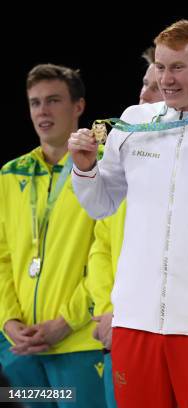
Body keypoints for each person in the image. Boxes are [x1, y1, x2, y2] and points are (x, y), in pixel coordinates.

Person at [68, 20, 188, 407]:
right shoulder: (133, 123)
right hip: (134, 319)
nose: (167, 79)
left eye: (178, 67)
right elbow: (102, 204)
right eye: (162, 67)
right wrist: (84, 169)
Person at [0, 63, 105, 408]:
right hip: (20, 348)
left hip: (79, 344)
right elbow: (2, 256)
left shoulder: (102, 169)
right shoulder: (11, 174)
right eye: (35, 102)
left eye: (53, 100)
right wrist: (8, 319)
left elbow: (109, 257)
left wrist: (66, 322)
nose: (42, 111)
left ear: (78, 106)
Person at [86, 46, 164, 408]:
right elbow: (100, 247)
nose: (143, 95)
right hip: (109, 328)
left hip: (151, 328)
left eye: (154, 87)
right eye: (144, 84)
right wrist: (106, 309)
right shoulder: (116, 169)